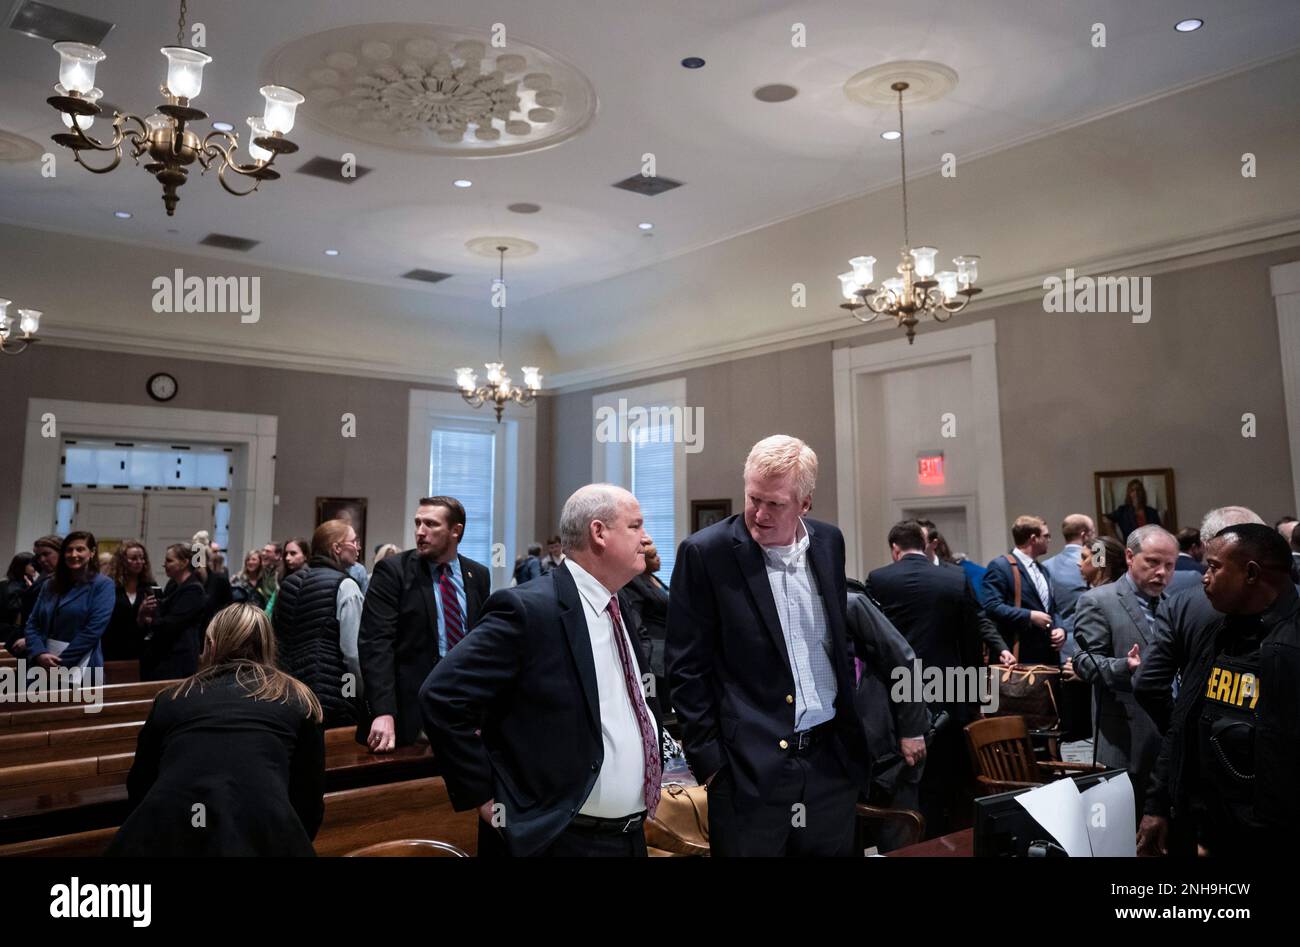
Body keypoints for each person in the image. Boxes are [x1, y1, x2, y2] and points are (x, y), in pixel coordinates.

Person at [422, 484, 661, 857]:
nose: (646, 538)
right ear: (598, 533)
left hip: (629, 835)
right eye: (635, 526)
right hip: (558, 839)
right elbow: (442, 695)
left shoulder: (618, 603)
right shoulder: (528, 609)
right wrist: (485, 797)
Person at [666, 435, 867, 857]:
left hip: (828, 763)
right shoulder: (706, 553)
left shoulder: (829, 543)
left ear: (805, 504)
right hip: (748, 774)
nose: (758, 514)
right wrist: (714, 767)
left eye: (774, 504)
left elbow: (836, 640)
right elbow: (686, 668)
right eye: (753, 498)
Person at [105, 604, 325, 856]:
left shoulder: (172, 698)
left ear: (210, 644)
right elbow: (308, 798)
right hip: (263, 835)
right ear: (268, 645)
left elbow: (140, 785)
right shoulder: (299, 699)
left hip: (165, 836)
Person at [1138, 525, 1300, 858]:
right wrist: (1158, 804)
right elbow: (1181, 724)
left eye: (1214, 567)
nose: (1204, 577)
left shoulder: (1291, 645)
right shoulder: (1218, 630)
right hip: (1208, 825)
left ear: (1251, 574)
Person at [866, 520, 996, 837]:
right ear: (925, 546)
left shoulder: (879, 579)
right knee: (946, 777)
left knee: (905, 778)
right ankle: (945, 839)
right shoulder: (955, 577)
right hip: (950, 687)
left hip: (899, 689)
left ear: (895, 550)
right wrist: (978, 698)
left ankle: (908, 841)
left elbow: (872, 643)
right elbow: (971, 640)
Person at [359, 496, 491, 751]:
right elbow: (376, 644)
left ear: (456, 530)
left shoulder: (477, 575)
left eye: (431, 524)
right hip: (408, 712)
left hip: (463, 707)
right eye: (418, 523)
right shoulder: (393, 572)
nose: (420, 532)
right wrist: (383, 711)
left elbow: (481, 642)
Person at [1073, 525, 1177, 817]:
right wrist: (1123, 666)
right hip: (1128, 736)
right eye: (1153, 562)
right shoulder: (1098, 600)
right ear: (1130, 557)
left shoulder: (1173, 604)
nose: (1162, 573)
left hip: (1171, 734)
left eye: (1169, 565)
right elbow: (1085, 661)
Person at [1134, 506, 1265, 737]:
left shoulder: (1182, 604)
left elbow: (1148, 684)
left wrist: (1178, 728)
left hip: (1205, 738)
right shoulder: (1288, 597)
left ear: (1206, 546)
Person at [844, 577, 928, 852]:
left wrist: (912, 731)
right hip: (847, 749)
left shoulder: (851, 602)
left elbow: (904, 660)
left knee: (897, 834)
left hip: (889, 744)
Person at [273, 520, 364, 730]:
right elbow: (352, 654)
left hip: (287, 691)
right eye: (354, 541)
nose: (358, 547)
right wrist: (355, 696)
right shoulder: (346, 586)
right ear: (337, 548)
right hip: (332, 698)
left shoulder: (289, 583)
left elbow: (276, 639)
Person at [23, 531, 115, 677]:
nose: (73, 554)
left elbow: (93, 630)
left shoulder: (103, 585)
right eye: (69, 550)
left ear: (91, 553)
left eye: (80, 549)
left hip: (80, 668)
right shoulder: (49, 585)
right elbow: (32, 624)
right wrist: (39, 653)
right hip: (40, 665)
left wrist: (59, 663)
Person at [982, 515, 1066, 666]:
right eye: (1046, 536)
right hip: (1018, 657)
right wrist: (1029, 615)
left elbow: (1053, 608)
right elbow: (992, 606)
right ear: (1033, 539)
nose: (1049, 540)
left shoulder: (1043, 570)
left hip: (1047, 658)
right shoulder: (1001, 566)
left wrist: (1060, 629)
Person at [138, 543, 208, 681]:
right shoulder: (173, 584)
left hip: (179, 658)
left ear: (184, 563)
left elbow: (173, 623)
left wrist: (150, 620)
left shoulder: (194, 590)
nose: (164, 565)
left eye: (169, 561)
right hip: (166, 654)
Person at [620, 538, 671, 709]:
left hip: (666, 650)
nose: (658, 558)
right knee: (655, 704)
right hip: (652, 657)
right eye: (652, 556)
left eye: (657, 554)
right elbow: (637, 623)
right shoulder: (634, 583)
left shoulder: (653, 579)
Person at [103, 541, 155, 661]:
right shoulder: (110, 586)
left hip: (139, 647)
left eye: (142, 558)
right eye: (133, 558)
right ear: (122, 561)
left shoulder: (149, 586)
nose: (139, 562)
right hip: (112, 645)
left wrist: (144, 617)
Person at [264, 538, 311, 616]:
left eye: (293, 553)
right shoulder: (281, 575)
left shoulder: (311, 578)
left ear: (305, 556)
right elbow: (273, 603)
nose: (287, 558)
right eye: (286, 554)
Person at [1, 552, 36, 653]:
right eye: (32, 564)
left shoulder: (30, 585)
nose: (35, 567)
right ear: (22, 566)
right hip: (10, 635)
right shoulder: (11, 587)